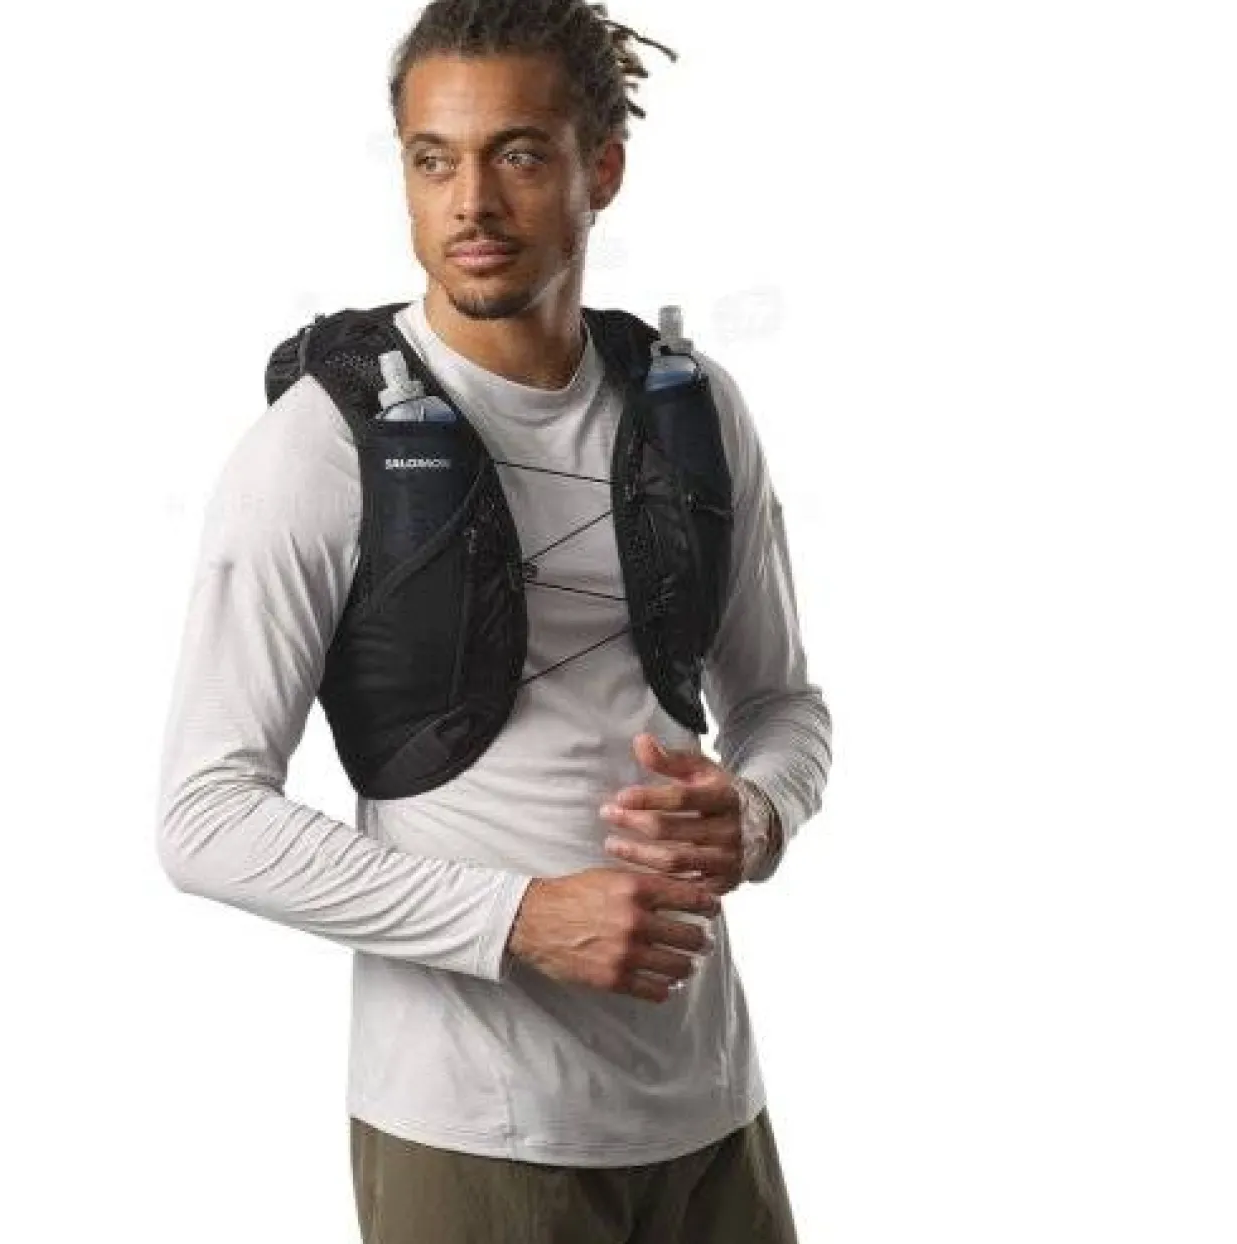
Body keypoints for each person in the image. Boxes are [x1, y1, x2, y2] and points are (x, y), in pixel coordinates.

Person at [156, 2, 833, 1239]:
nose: (469, 202)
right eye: (433, 160)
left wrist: (757, 811)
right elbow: (204, 816)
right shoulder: (319, 446)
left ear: (600, 170)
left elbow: (784, 706)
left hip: (709, 1104)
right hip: (476, 1130)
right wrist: (517, 917)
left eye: (517, 154)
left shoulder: (690, 409)